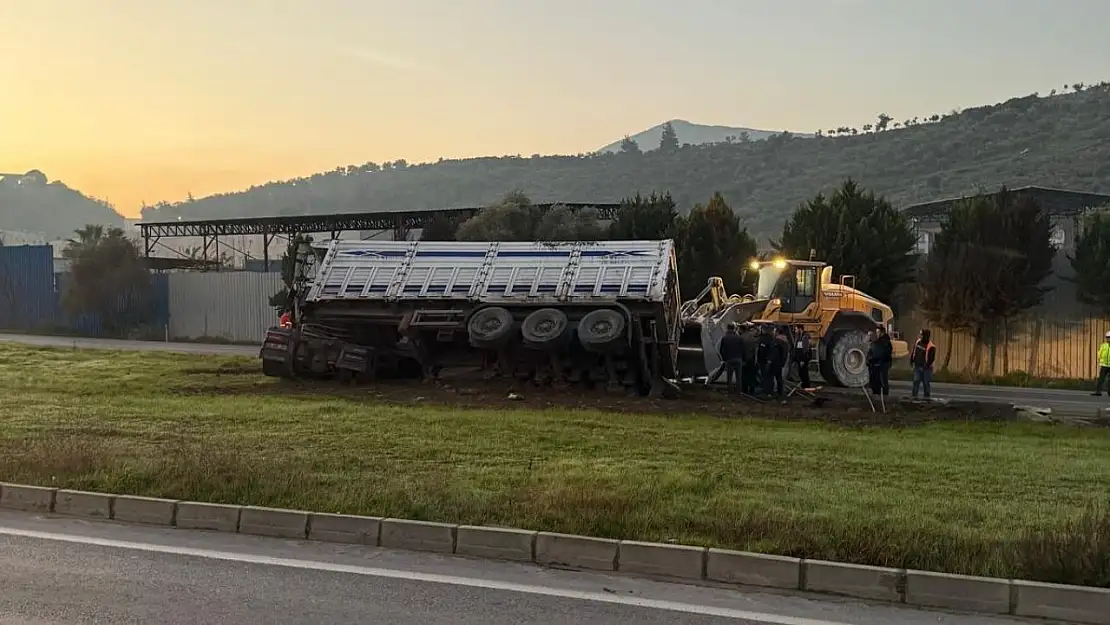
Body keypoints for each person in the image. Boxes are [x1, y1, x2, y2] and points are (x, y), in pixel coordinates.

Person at [716, 323, 746, 392]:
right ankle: (739, 391)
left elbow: (721, 350)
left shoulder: (724, 338)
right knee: (739, 377)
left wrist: (724, 359)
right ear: (734, 328)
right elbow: (743, 350)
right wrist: (744, 359)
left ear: (727, 328)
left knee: (729, 377)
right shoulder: (739, 338)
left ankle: (730, 391)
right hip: (738, 359)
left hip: (729, 360)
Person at [910, 329, 937, 399]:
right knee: (916, 382)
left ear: (926, 336)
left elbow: (931, 359)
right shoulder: (918, 342)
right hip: (917, 366)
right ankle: (914, 397)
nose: (920, 336)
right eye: (920, 334)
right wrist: (911, 360)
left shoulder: (931, 346)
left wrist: (925, 367)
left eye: (922, 335)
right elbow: (914, 351)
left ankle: (927, 398)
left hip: (927, 369)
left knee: (926, 383)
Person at [867, 326, 893, 396]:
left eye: (878, 332)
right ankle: (879, 392)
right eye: (876, 332)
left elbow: (881, 353)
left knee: (883, 379)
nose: (877, 333)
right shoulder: (879, 342)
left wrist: (873, 359)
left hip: (883, 363)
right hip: (878, 363)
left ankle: (884, 394)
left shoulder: (885, 342)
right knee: (878, 379)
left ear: (882, 332)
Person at [766, 326, 789, 397]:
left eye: (775, 331)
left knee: (770, 377)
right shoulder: (785, 341)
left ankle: (769, 392)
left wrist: (769, 359)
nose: (773, 332)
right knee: (779, 377)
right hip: (781, 362)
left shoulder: (777, 341)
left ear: (777, 332)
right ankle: (780, 392)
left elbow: (774, 352)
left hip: (774, 362)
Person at [740, 323, 759, 395]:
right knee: (752, 376)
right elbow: (755, 350)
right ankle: (752, 390)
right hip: (752, 359)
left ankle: (744, 390)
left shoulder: (741, 338)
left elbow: (741, 350)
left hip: (744, 359)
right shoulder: (753, 338)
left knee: (744, 376)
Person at [792, 324, 813, 389]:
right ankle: (804, 386)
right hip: (800, 358)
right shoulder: (799, 336)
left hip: (803, 359)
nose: (795, 331)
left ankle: (806, 386)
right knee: (801, 373)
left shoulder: (805, 337)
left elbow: (805, 350)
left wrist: (803, 360)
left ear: (800, 329)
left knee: (804, 373)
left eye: (796, 329)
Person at [1094, 331, 1110, 397]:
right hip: (1104, 365)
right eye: (1107, 337)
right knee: (1101, 379)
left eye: (1109, 337)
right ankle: (1098, 392)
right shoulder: (1103, 345)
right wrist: (1099, 358)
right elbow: (1099, 353)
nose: (1108, 339)